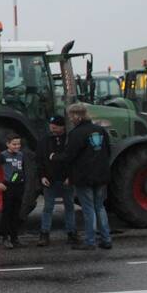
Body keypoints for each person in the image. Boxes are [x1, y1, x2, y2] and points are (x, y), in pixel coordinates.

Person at [52, 102, 112, 250]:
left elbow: (69, 156)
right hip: (101, 174)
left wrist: (54, 156)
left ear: (77, 116)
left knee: (88, 209)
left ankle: (90, 241)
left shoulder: (76, 134)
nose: (70, 119)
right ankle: (106, 239)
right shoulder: (101, 131)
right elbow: (108, 151)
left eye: (71, 116)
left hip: (84, 176)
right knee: (100, 207)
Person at [36, 115, 78, 246]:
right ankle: (44, 234)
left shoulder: (69, 141)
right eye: (51, 127)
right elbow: (40, 160)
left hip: (66, 179)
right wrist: (42, 176)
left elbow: (73, 160)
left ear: (62, 127)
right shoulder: (44, 141)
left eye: (55, 127)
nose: (52, 129)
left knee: (69, 206)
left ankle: (71, 233)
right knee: (48, 207)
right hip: (50, 179)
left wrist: (70, 177)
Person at [0, 133, 26, 249]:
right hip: (8, 186)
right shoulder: (3, 155)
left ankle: (15, 238)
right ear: (8, 144)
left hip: (19, 186)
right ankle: (5, 238)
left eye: (18, 144)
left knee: (16, 214)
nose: (16, 146)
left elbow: (22, 169)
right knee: (7, 213)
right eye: (14, 144)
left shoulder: (21, 155)